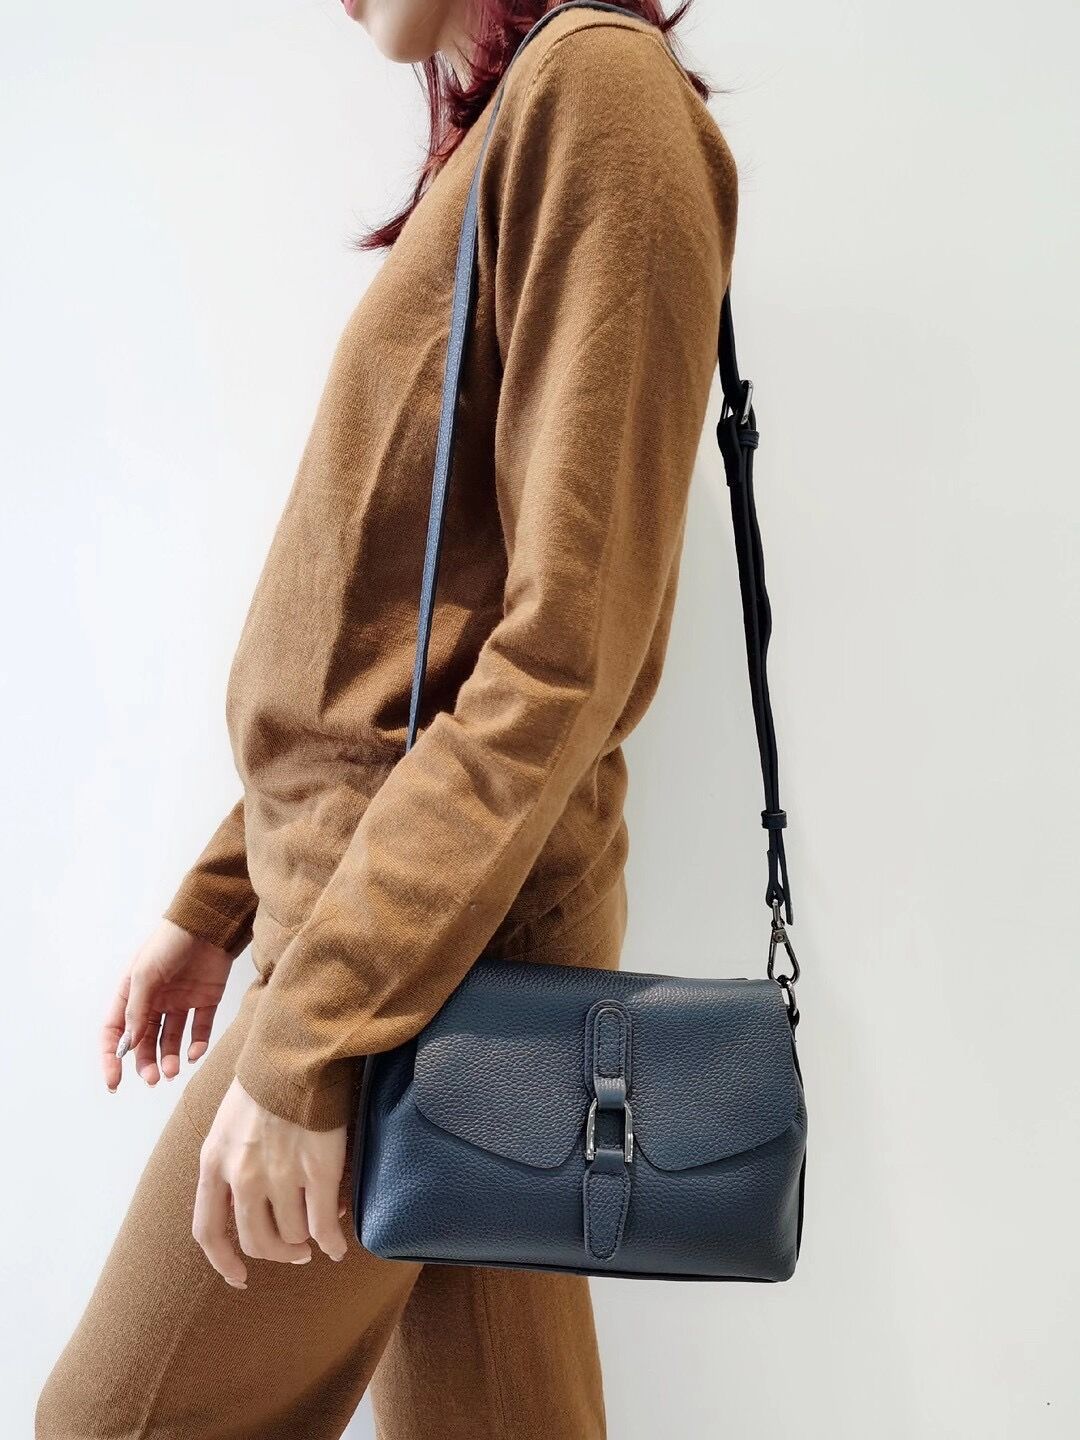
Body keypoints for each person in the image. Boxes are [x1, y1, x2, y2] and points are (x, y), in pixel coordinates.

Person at [36, 1, 738, 1435]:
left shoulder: (598, 96)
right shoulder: (534, 114)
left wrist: (314, 1032)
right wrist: (224, 894)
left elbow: (559, 661)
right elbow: (401, 651)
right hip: (421, 949)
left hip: (430, 976)